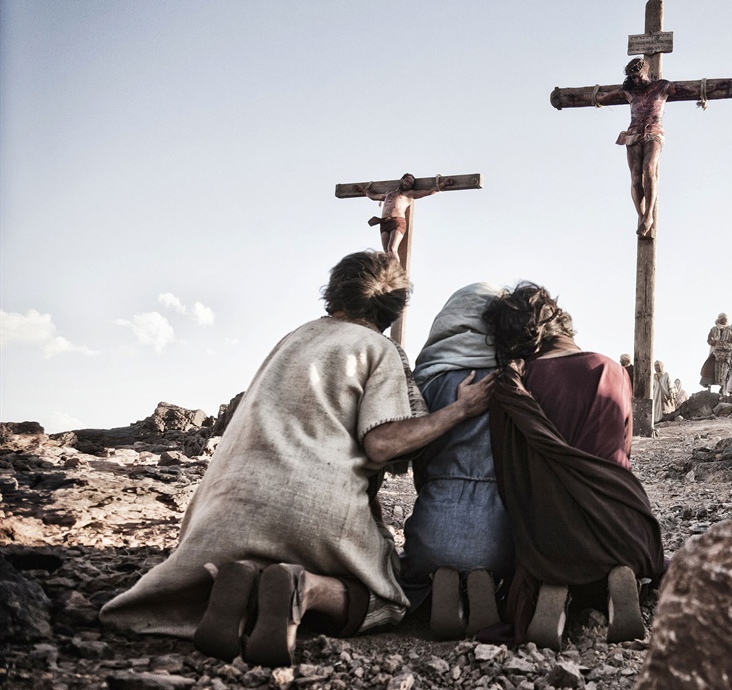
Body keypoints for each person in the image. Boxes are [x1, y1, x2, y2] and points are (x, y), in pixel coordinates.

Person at [99, 252, 494, 667]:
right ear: (394, 307)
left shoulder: (294, 338)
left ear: (334, 291)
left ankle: (244, 582)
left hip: (221, 511)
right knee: (390, 598)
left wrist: (390, 236)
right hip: (310, 512)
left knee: (246, 559)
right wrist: (459, 411)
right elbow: (382, 443)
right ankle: (303, 588)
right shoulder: (378, 349)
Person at [482, 283, 664, 650]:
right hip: (624, 530)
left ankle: (556, 588)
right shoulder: (613, 370)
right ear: (560, 323)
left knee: (550, 556)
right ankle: (617, 579)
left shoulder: (516, 384)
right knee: (618, 551)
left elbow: (508, 477)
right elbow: (622, 459)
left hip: (548, 538)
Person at [400, 283, 511, 641]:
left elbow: (416, 459)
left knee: (406, 575)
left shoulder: (426, 380)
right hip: (497, 531)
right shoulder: (511, 377)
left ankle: (434, 584)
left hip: (433, 520)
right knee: (509, 571)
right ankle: (487, 581)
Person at [619, 57, 675, 238]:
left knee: (648, 169)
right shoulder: (630, 92)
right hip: (634, 134)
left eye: (638, 76)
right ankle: (642, 216)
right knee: (635, 176)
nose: (636, 80)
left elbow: (693, 89)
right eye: (632, 78)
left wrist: (706, 89)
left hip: (653, 132)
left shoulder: (661, 87)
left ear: (647, 71)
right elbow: (602, 96)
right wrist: (592, 96)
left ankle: (649, 214)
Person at [357, 173, 453, 265]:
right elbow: (373, 196)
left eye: (410, 183)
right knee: (386, 252)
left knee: (392, 248)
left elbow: (427, 192)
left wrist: (442, 185)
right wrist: (364, 190)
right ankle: (390, 273)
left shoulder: (409, 194)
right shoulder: (388, 194)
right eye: (407, 180)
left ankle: (399, 274)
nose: (408, 183)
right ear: (401, 180)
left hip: (397, 221)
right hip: (384, 222)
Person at [700, 313, 732, 391]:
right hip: (715, 352)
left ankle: (723, 389)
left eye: (726, 319)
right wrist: (714, 342)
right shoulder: (714, 329)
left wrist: (726, 344)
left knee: (726, 371)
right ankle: (709, 387)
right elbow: (709, 340)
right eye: (723, 319)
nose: (725, 321)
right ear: (720, 319)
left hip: (726, 353)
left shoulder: (730, 330)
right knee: (710, 368)